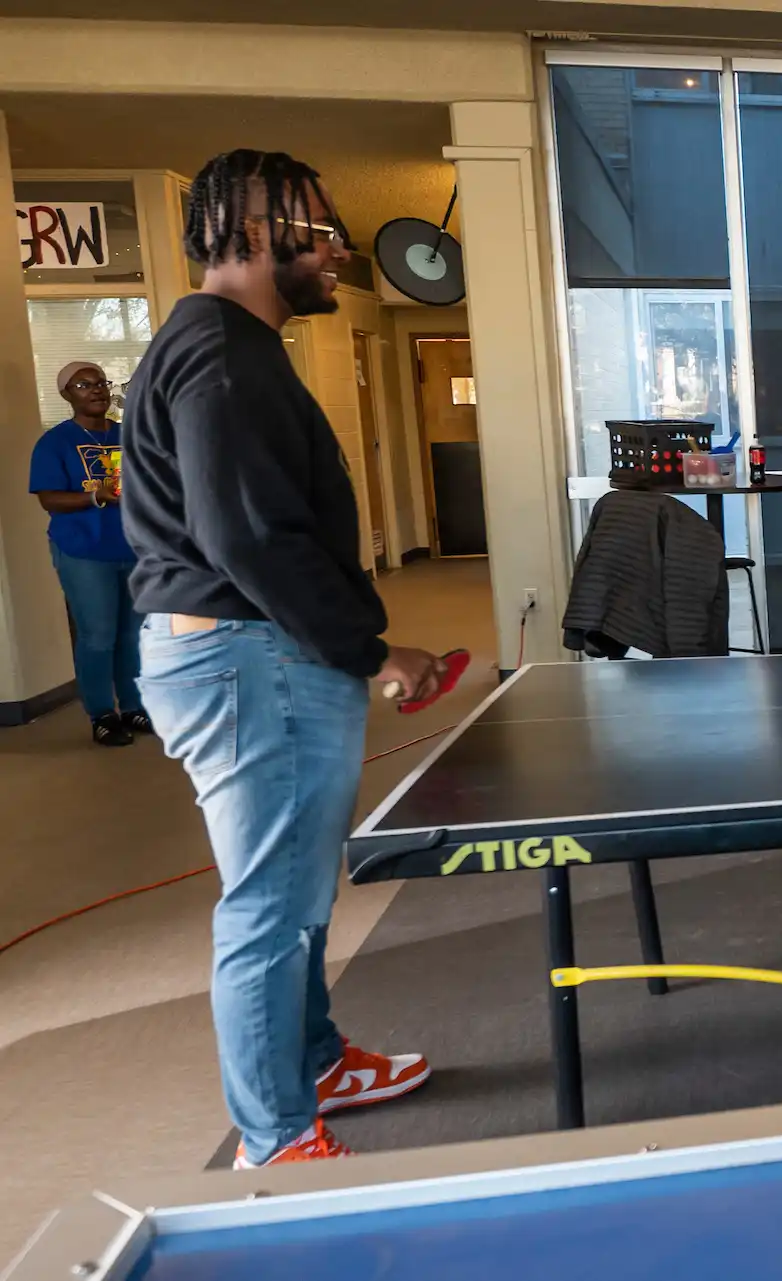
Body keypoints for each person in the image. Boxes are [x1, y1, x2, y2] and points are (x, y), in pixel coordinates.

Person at [123, 150, 450, 1167]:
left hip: (259, 653)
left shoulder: (234, 347)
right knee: (269, 904)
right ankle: (274, 1139)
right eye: (321, 229)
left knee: (299, 892)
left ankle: (313, 1065)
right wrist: (372, 650)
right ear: (261, 237)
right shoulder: (223, 355)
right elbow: (249, 537)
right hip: (244, 657)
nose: (340, 249)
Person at [28, 360, 148, 745]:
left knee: (133, 633)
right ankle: (102, 714)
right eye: (82, 385)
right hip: (84, 550)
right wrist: (95, 495)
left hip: (134, 547)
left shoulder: (130, 434)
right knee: (98, 635)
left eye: (100, 383)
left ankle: (133, 707)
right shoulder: (55, 443)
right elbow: (49, 498)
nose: (95, 390)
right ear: (66, 395)